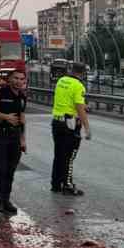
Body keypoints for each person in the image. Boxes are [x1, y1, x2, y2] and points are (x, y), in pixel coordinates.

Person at [0, 68, 27, 216]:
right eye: (16, 78)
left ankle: (6, 200)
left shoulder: (23, 96)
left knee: (10, 171)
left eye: (21, 79)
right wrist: (5, 117)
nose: (18, 82)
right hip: (0, 136)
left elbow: (22, 119)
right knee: (0, 170)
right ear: (10, 79)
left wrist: (23, 140)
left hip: (15, 138)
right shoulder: (0, 92)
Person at [50, 60, 91, 195]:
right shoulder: (78, 86)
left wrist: (82, 105)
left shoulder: (61, 81)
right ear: (83, 73)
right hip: (70, 124)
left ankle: (56, 184)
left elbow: (66, 100)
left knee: (59, 155)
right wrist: (87, 128)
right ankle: (67, 185)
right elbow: (79, 109)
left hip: (57, 122)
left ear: (70, 70)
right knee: (69, 156)